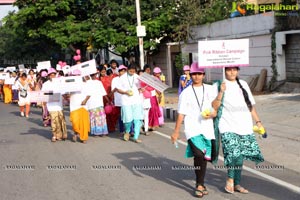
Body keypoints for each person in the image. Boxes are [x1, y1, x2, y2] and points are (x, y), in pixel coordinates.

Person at [212, 66, 264, 194]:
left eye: (235, 69)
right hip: (227, 124)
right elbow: (214, 106)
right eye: (229, 69)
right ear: (225, 71)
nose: (232, 72)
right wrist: (221, 92)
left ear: (238, 71)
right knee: (232, 152)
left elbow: (250, 105)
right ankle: (230, 180)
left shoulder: (244, 84)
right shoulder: (218, 85)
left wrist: (258, 122)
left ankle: (237, 183)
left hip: (244, 124)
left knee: (240, 157)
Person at [171, 62, 217, 198]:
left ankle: (201, 182)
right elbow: (181, 113)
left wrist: (214, 113)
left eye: (199, 74)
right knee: (198, 154)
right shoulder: (185, 93)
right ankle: (199, 184)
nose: (196, 76)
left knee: (206, 157)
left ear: (203, 75)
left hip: (207, 128)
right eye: (194, 74)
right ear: (190, 75)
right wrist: (176, 131)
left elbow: (217, 106)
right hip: (192, 129)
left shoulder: (210, 89)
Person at [117, 63, 143, 143]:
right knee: (128, 120)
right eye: (130, 71)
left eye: (133, 71)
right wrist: (125, 92)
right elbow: (118, 89)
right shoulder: (122, 78)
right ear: (127, 69)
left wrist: (141, 90)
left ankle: (136, 136)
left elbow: (140, 88)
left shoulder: (137, 77)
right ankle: (127, 132)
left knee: (137, 119)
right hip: (126, 101)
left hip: (136, 101)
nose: (132, 72)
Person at [41, 68, 67, 142]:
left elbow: (63, 92)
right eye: (51, 75)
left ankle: (62, 135)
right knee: (54, 121)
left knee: (61, 120)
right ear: (48, 76)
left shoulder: (60, 83)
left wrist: (67, 98)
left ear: (56, 75)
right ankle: (55, 135)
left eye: (54, 74)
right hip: (51, 105)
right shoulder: (46, 84)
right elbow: (44, 93)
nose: (52, 76)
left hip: (59, 105)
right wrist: (44, 101)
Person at [69, 69, 91, 144]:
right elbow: (66, 94)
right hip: (74, 106)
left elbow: (89, 94)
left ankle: (83, 137)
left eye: (78, 75)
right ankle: (76, 133)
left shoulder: (85, 84)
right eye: (75, 75)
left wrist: (85, 100)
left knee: (84, 123)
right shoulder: (70, 85)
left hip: (83, 106)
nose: (76, 77)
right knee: (75, 122)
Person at [111, 65, 128, 135]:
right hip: (119, 101)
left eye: (124, 71)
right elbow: (113, 90)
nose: (123, 72)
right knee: (121, 116)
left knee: (128, 116)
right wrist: (117, 88)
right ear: (119, 72)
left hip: (128, 100)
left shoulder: (128, 79)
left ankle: (129, 130)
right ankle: (121, 130)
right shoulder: (115, 79)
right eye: (121, 71)